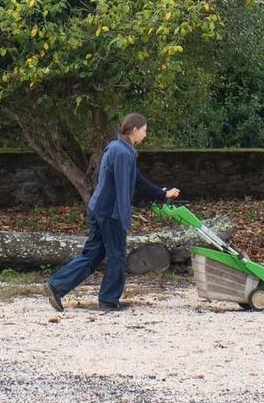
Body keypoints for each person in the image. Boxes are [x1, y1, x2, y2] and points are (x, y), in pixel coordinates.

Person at [46, 112, 180, 312]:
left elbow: (136, 181)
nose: (145, 135)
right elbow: (123, 188)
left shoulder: (118, 148)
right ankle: (109, 300)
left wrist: (162, 194)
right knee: (116, 255)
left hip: (99, 208)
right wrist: (124, 218)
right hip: (110, 212)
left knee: (93, 253)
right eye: (144, 131)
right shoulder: (123, 153)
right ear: (134, 130)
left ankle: (57, 285)